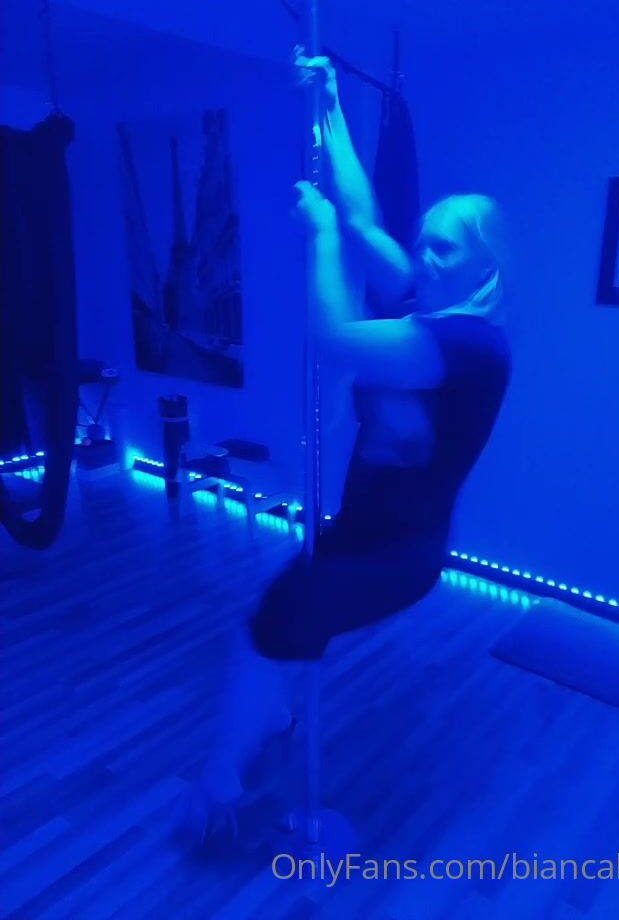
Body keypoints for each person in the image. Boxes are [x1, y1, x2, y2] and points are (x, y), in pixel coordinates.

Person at [178, 49, 512, 844]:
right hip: (357, 533)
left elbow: (334, 336)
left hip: (396, 556)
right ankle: (270, 718)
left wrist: (321, 237)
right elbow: (366, 221)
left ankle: (221, 784)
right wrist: (327, 105)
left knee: (267, 628)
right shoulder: (428, 302)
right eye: (424, 242)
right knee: (275, 629)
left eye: (443, 249)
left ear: (485, 266)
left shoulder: (469, 345)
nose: (423, 257)